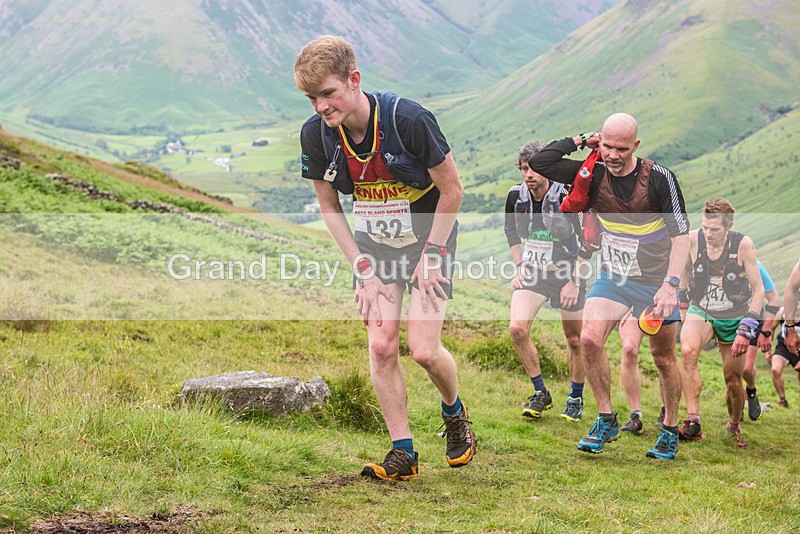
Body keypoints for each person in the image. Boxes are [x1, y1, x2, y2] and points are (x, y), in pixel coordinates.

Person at [294, 35, 475, 481]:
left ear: (354, 80)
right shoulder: (316, 134)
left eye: (328, 93)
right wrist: (360, 266)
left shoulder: (408, 119)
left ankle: (454, 413)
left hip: (428, 241)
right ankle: (403, 453)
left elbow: (452, 191)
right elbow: (330, 209)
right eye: (311, 97)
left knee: (425, 351)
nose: (321, 106)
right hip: (374, 247)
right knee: (381, 345)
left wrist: (432, 255)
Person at [530, 113, 690, 460]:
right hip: (614, 277)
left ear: (635, 146)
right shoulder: (592, 170)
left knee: (663, 358)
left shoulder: (659, 179)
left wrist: (671, 286)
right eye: (607, 146)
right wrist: (580, 139)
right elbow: (541, 162)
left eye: (621, 148)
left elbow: (681, 237)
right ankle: (606, 419)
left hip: (656, 281)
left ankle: (669, 430)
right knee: (588, 338)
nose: (613, 155)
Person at [504, 141, 588, 423]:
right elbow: (511, 232)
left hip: (568, 272)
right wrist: (519, 266)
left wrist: (574, 281)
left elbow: (587, 240)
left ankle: (575, 396)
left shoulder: (566, 194)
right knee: (517, 328)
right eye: (525, 169)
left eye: (535, 169)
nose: (529, 175)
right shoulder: (515, 196)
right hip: (534, 273)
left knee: (575, 339)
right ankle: (541, 392)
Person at [678, 198, 765, 448]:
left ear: (728, 226)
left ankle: (734, 423)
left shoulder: (743, 245)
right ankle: (693, 421)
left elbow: (758, 291)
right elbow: (684, 270)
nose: (709, 233)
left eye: (714, 229)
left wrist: (745, 331)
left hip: (734, 316)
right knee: (687, 351)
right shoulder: (694, 240)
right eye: (705, 227)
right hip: (702, 309)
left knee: (733, 379)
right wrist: (683, 306)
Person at [741, 260, 780, 421]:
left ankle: (751, 392)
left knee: (746, 370)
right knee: (733, 371)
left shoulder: (755, 265)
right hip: (729, 319)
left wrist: (767, 331)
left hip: (754, 319)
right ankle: (736, 412)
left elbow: (773, 298)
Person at [617, 310, 647, 435]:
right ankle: (635, 417)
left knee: (662, 357)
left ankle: (667, 411)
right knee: (629, 350)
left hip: (663, 302)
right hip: (635, 303)